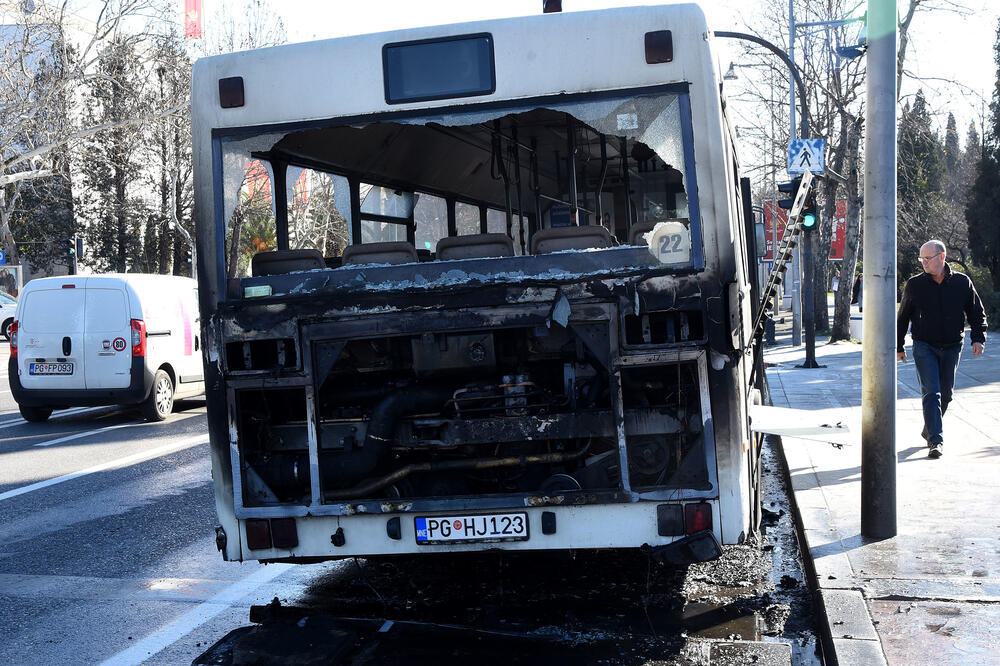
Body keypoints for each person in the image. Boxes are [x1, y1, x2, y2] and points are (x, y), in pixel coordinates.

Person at [897, 240, 986, 459]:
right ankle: (936, 441)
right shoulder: (915, 284)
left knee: (946, 394)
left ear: (942, 257)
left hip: (953, 345)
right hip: (924, 345)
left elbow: (976, 312)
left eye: (927, 258)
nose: (924, 263)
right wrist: (898, 346)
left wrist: (978, 338)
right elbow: (903, 317)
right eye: (922, 259)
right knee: (931, 392)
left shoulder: (962, 282)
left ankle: (929, 428)